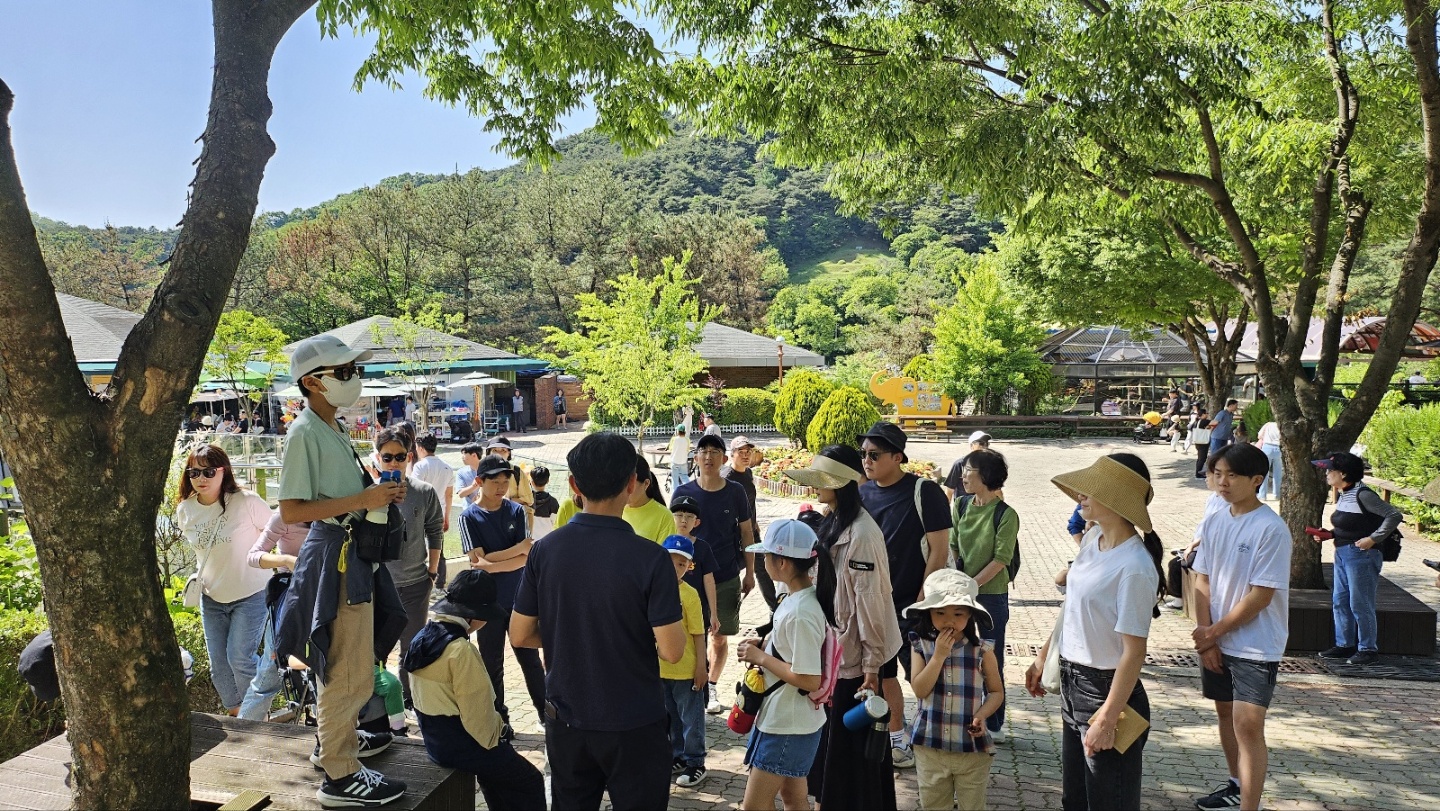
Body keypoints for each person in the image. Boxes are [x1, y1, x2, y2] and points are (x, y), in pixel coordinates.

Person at [510, 432, 686, 810]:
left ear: (573, 485)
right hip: (635, 719)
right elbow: (672, 650)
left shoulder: (544, 551)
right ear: (631, 484)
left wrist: (568, 632)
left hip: (567, 716)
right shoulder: (652, 559)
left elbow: (520, 634)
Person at [274, 334, 408, 807]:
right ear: (312, 381)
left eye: (356, 371)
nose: (355, 380)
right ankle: (340, 774)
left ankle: (337, 749)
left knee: (349, 664)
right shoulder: (305, 432)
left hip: (347, 555)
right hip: (337, 558)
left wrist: (378, 497)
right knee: (347, 670)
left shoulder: (328, 426)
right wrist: (364, 500)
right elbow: (291, 510)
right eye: (346, 372)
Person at [1025, 452, 1165, 811]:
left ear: (1118, 495)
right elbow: (1071, 607)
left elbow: (1133, 653)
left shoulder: (1134, 566)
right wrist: (1043, 658)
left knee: (1109, 800)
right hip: (1074, 683)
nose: (1079, 495)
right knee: (1076, 799)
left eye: (1091, 488)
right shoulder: (1092, 541)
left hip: (1107, 692)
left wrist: (1106, 716)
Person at [784, 446, 903, 809]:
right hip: (838, 652)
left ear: (841, 484)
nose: (816, 487)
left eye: (823, 480)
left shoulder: (862, 532)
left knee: (854, 752)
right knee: (839, 749)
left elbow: (872, 603)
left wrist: (872, 667)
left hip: (857, 658)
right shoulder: (834, 517)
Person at [1190, 444, 1293, 811]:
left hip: (1254, 644)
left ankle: (1250, 805)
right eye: (1217, 474)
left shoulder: (1271, 529)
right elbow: (1201, 582)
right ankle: (1235, 785)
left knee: (1248, 725)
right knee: (1224, 714)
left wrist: (1213, 633)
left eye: (1232, 475)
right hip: (1216, 639)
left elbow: (1260, 596)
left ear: (1256, 480)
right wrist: (1207, 638)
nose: (1223, 482)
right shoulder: (1216, 520)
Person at [404, 570, 547, 810]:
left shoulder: (422, 636)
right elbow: (478, 719)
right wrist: (500, 740)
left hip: (435, 740)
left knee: (495, 778)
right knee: (530, 780)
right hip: (463, 745)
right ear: (474, 616)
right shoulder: (461, 651)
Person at [857, 421, 952, 769]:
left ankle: (942, 744)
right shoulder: (863, 493)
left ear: (897, 457)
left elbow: (940, 550)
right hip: (875, 603)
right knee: (883, 677)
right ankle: (897, 739)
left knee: (925, 678)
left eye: (875, 454)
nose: (867, 460)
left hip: (916, 606)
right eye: (863, 454)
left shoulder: (924, 491)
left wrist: (922, 601)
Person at [737, 519, 837, 811]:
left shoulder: (801, 611)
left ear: (781, 562)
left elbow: (808, 679)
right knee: (794, 799)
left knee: (753, 806)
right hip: (790, 720)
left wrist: (761, 658)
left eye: (766, 556)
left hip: (786, 723)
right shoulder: (799, 601)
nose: (762, 561)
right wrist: (766, 646)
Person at [176, 444, 273, 717]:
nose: (201, 478)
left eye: (208, 471)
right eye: (194, 472)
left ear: (223, 471)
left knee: (239, 658)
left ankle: (255, 717)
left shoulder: (246, 501)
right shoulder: (185, 510)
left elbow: (279, 529)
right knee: (219, 665)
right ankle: (238, 713)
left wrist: (276, 560)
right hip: (212, 596)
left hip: (252, 592)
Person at [905, 569, 1004, 811]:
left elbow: (996, 692)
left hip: (971, 749)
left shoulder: (982, 651)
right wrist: (938, 657)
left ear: (970, 614)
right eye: (940, 613)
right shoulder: (921, 646)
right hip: (930, 746)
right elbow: (919, 689)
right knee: (934, 805)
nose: (949, 620)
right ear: (929, 612)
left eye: (958, 613)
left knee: (973, 805)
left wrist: (982, 715)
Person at [457, 454, 545, 724]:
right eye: (495, 481)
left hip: (520, 600)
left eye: (505, 481)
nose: (501, 487)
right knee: (491, 663)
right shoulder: (468, 517)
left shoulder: (517, 511)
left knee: (530, 660)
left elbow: (522, 558)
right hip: (487, 603)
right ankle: (499, 720)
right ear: (479, 482)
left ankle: (547, 715)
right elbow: (477, 561)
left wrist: (491, 563)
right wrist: (516, 550)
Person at [674, 433, 756, 715]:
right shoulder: (683, 492)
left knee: (718, 635)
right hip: (688, 579)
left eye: (714, 451)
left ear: (723, 458)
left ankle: (711, 684)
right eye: (703, 451)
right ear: (696, 457)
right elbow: (674, 535)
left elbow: (747, 532)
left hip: (725, 575)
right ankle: (686, 684)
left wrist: (751, 573)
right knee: (689, 631)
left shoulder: (735, 492)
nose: (708, 456)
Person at [948, 448, 1018, 742]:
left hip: (991, 596)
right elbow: (953, 543)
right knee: (959, 656)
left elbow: (1001, 559)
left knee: (991, 658)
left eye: (969, 471)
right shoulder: (962, 505)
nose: (963, 476)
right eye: (963, 469)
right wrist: (957, 579)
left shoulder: (1005, 514)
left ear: (986, 476)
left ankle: (994, 722)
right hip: (963, 593)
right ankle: (961, 716)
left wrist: (972, 584)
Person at [372, 429, 444, 709]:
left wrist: (432, 572)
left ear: (409, 458)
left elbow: (435, 530)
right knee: (376, 648)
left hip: (416, 583)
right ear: (378, 458)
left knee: (411, 647)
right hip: (379, 584)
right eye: (387, 457)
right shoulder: (367, 493)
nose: (393, 463)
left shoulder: (423, 492)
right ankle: (377, 702)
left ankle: (406, 701)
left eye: (399, 457)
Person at [1310, 451, 1401, 667]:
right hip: (1342, 553)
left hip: (1362, 555)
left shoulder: (1364, 495)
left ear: (1343, 473)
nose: (1326, 474)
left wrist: (1373, 539)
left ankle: (1368, 649)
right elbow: (1351, 524)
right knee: (1340, 601)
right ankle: (1344, 645)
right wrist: (1330, 534)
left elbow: (1394, 515)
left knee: (1360, 603)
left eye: (1330, 470)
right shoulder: (1343, 494)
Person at [240, 513, 310, 721]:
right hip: (290, 597)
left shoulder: (336, 511)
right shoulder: (285, 516)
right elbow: (253, 556)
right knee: (270, 670)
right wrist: (286, 560)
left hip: (328, 594)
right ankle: (245, 729)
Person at [659, 535, 710, 787]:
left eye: (681, 564)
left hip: (687, 670)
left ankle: (695, 762)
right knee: (671, 717)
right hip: (661, 669)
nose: (675, 568)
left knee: (691, 718)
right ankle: (678, 756)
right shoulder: (654, 590)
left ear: (689, 567)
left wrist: (701, 667)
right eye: (670, 562)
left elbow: (699, 634)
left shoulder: (690, 595)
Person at [725, 436, 777, 612]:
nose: (746, 456)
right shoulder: (727, 478)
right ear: (732, 454)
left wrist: (754, 523)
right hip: (733, 535)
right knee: (733, 572)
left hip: (751, 532)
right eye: (741, 452)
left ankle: (774, 608)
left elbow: (750, 501)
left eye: (748, 452)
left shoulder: (747, 473)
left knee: (762, 569)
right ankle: (727, 613)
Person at [671, 495, 721, 637]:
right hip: (670, 605)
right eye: (679, 515)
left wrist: (713, 613)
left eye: (689, 516)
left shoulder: (703, 547)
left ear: (697, 522)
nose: (683, 520)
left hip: (697, 607)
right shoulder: (664, 544)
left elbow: (709, 580)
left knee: (698, 643)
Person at [411, 433, 455, 587]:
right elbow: (449, 495)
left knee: (418, 546)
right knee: (438, 547)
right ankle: (440, 582)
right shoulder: (447, 467)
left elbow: (415, 491)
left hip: (421, 513)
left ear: (421, 448)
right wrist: (447, 517)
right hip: (439, 512)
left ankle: (422, 579)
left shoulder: (420, 466)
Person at [624, 456, 677, 543]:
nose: (624, 490)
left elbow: (664, 554)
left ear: (646, 483)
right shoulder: (614, 509)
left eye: (630, 484)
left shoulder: (664, 516)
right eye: (621, 483)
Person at [942, 430, 992, 500]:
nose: (984, 446)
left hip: (984, 507)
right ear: (972, 446)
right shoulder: (960, 464)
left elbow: (996, 491)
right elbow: (949, 491)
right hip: (964, 508)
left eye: (987, 444)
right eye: (981, 443)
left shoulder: (991, 464)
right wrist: (946, 510)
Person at [530, 466, 560, 538]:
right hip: (546, 540)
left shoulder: (526, 501)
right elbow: (555, 522)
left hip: (529, 542)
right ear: (548, 481)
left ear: (532, 482)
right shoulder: (553, 502)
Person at [1256, 420, 1283, 501]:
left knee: (1264, 472)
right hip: (1278, 448)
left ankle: (1262, 495)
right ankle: (1277, 494)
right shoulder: (1281, 425)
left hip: (1267, 447)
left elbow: (1259, 435)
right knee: (1277, 473)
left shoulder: (1268, 424)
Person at [455, 442, 485, 507]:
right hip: (469, 510)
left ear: (474, 455)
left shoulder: (488, 470)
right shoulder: (461, 472)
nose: (462, 457)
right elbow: (461, 494)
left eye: (464, 453)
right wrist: (474, 486)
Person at [668, 424, 692, 493]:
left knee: (675, 479)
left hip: (674, 461)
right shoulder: (687, 440)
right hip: (683, 461)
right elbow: (687, 449)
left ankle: (675, 494)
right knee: (684, 477)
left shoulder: (674, 439)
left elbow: (670, 449)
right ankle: (688, 491)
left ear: (678, 431)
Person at [1191, 406, 1212, 478]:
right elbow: (1214, 422)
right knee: (1202, 458)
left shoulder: (1197, 421)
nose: (1207, 415)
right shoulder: (1204, 421)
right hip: (1203, 442)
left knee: (1200, 458)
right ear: (1203, 414)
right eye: (1206, 413)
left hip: (1198, 441)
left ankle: (1198, 471)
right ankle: (1198, 473)